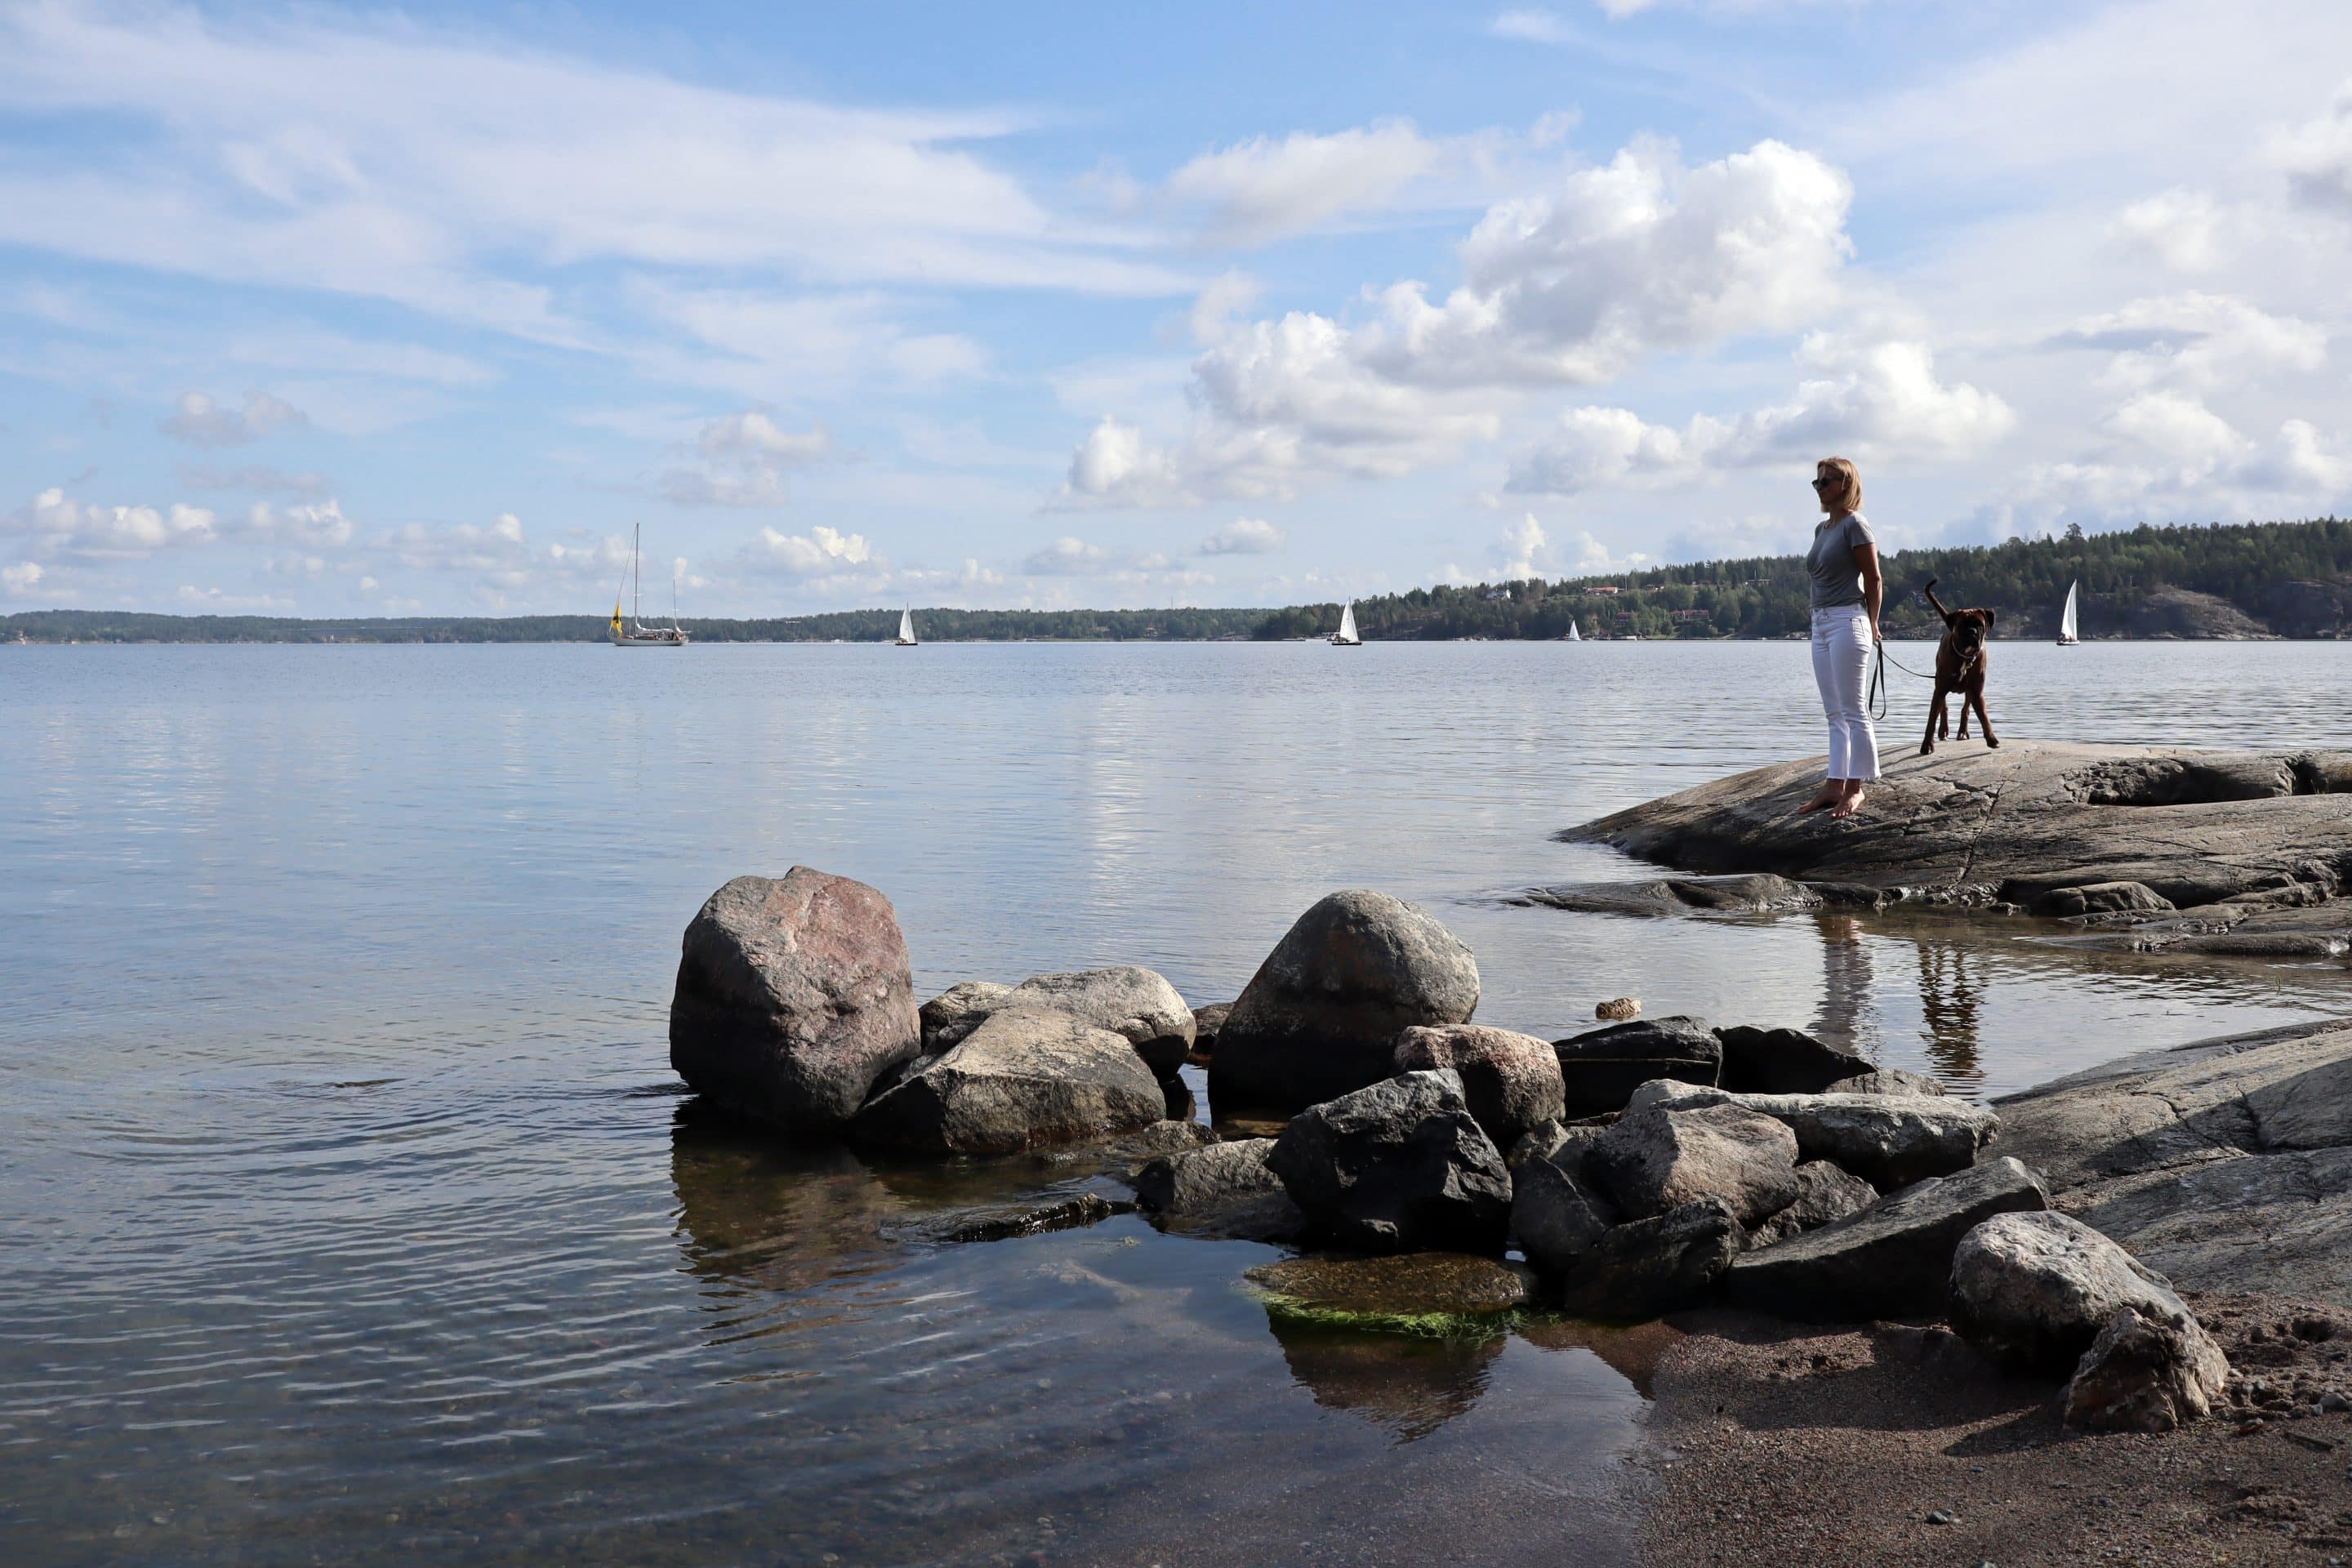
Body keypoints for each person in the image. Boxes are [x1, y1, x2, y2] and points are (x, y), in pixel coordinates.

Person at [1797, 457, 1882, 818]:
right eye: (1816, 482)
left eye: (1826, 482)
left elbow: (1874, 579)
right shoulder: (1822, 530)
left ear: (1845, 485)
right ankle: (1834, 785)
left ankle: (1855, 788)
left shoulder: (1856, 525)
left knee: (1853, 709)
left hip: (1850, 620)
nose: (1820, 488)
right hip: (1821, 624)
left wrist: (1874, 624)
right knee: (1834, 712)